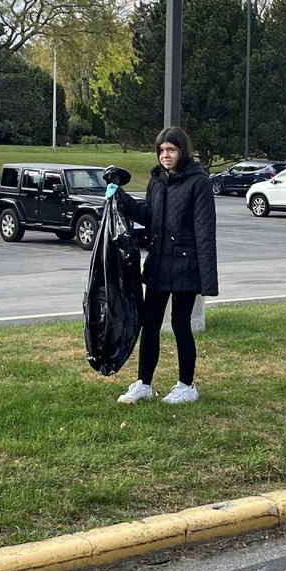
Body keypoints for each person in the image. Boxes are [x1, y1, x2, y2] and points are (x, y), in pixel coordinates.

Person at [107, 126, 218, 404]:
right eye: (161, 150)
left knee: (181, 324)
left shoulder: (198, 182)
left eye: (171, 150)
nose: (165, 155)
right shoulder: (157, 180)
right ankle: (144, 383)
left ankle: (186, 385)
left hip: (185, 266)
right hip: (158, 264)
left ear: (182, 151)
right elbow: (150, 216)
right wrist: (120, 197)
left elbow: (205, 232)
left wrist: (207, 281)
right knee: (150, 323)